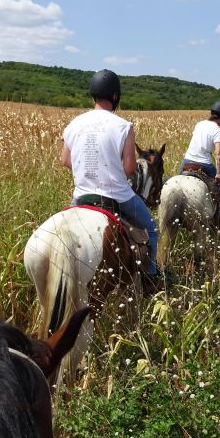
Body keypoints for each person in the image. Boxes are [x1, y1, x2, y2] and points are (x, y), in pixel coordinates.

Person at [61, 69, 160, 284]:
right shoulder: (124, 126)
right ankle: (151, 276)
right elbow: (130, 168)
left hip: (81, 196)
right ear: (115, 96)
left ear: (93, 94)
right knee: (152, 229)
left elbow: (66, 161)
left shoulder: (74, 124)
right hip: (118, 196)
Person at [179, 100, 220, 225]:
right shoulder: (217, 131)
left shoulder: (199, 124)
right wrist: (218, 173)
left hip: (187, 160)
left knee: (177, 181)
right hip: (204, 163)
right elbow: (218, 154)